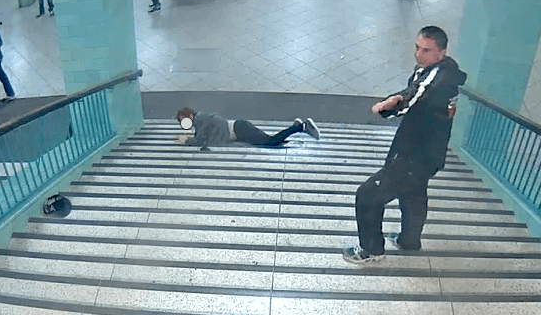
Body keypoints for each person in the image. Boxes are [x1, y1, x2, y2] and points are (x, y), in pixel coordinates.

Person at [342, 26, 467, 265]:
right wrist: (399, 97)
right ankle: (409, 241)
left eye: (427, 50)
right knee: (413, 194)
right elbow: (414, 88)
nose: (419, 54)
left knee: (367, 195)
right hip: (429, 153)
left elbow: (418, 96)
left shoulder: (438, 80)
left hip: (414, 154)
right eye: (417, 47)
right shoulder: (440, 71)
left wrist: (388, 108)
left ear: (441, 53)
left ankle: (371, 250)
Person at [175, 107, 321, 149]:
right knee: (270, 141)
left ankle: (301, 127)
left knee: (271, 142)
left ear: (189, 115)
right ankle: (296, 126)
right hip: (239, 128)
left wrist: (187, 140)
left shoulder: (200, 119)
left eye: (184, 119)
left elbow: (200, 139)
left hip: (239, 130)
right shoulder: (201, 119)